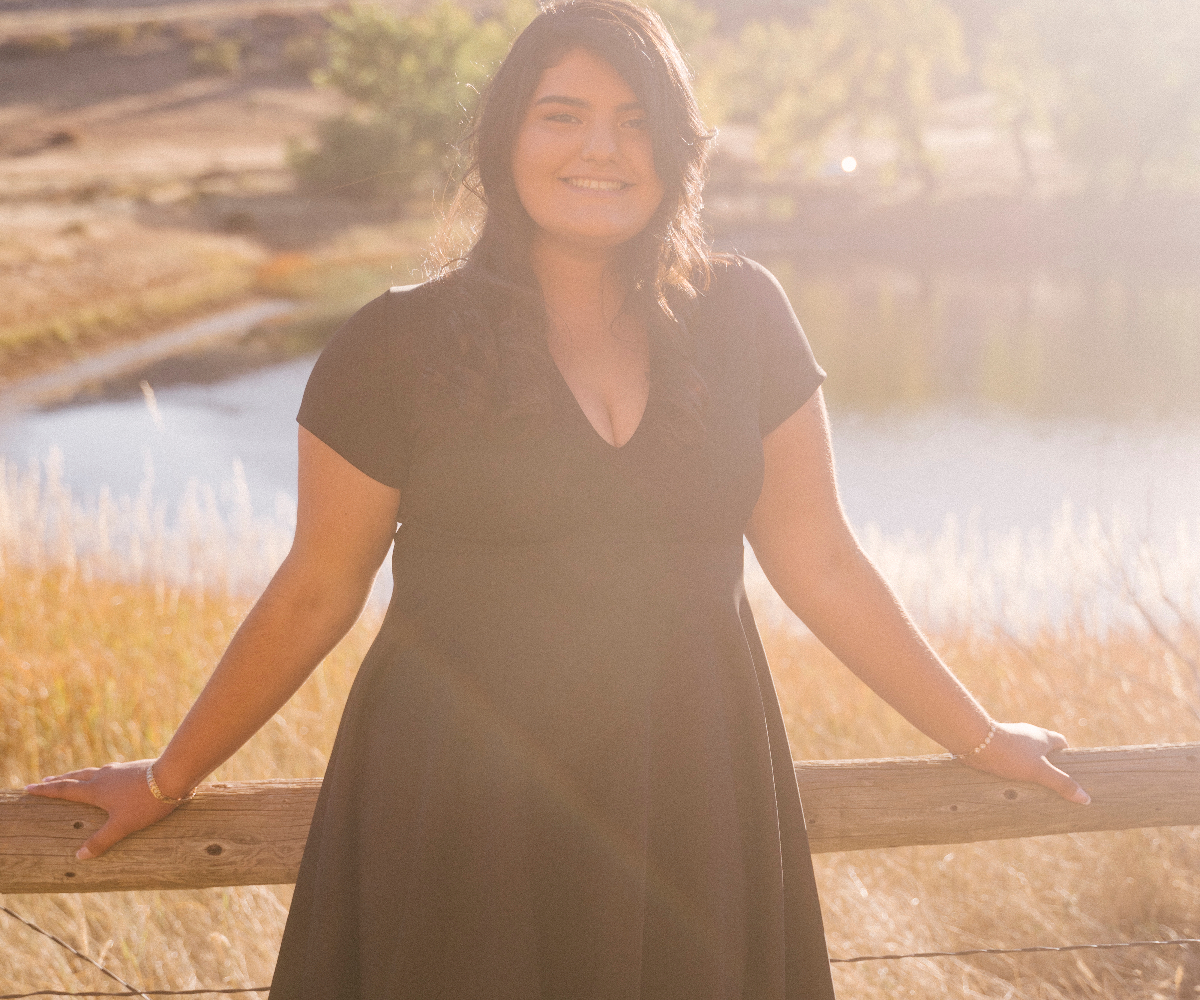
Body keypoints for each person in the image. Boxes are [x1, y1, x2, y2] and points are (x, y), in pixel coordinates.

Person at [26, 2, 1091, 997]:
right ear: (504, 142)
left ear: (677, 150)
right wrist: (168, 777)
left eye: (637, 121)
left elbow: (821, 562)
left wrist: (981, 734)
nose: (602, 149)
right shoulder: (392, 346)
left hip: (694, 789)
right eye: (564, 115)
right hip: (457, 804)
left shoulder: (745, 317)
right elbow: (316, 589)